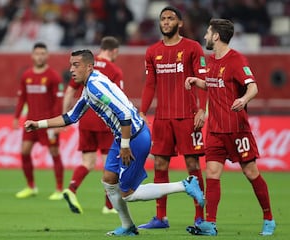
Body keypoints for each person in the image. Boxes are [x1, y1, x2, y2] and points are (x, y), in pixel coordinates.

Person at [24, 49, 205, 236]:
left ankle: (185, 185)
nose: (71, 69)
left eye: (76, 65)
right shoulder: (89, 86)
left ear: (89, 67)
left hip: (134, 138)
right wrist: (38, 124)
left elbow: (125, 114)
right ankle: (127, 226)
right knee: (109, 181)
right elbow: (71, 117)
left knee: (129, 194)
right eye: (70, 65)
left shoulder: (95, 87)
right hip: (123, 137)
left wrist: (125, 146)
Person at [184, 18, 276, 236]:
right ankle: (210, 224)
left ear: (216, 36)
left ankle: (268, 218)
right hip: (215, 130)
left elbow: (253, 88)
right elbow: (215, 85)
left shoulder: (236, 60)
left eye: (208, 32)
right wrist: (198, 81)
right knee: (213, 173)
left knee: (250, 171)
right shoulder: (211, 61)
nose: (205, 36)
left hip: (236, 128)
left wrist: (243, 101)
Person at [138, 6, 207, 229]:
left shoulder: (192, 47)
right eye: (163, 19)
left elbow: (203, 81)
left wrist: (202, 109)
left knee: (192, 163)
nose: (166, 22)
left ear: (179, 23)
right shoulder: (152, 52)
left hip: (187, 116)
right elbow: (150, 85)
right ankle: (161, 217)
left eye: (170, 18)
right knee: (159, 164)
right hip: (162, 118)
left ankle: (199, 217)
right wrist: (142, 111)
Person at [62, 36, 123, 214]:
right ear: (114, 51)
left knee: (87, 162)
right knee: (109, 165)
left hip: (85, 119)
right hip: (104, 122)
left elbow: (69, 91)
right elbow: (118, 98)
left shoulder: (84, 66)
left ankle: (71, 189)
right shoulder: (114, 70)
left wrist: (65, 117)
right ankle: (108, 206)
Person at [13, 42, 64, 200]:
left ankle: (59, 189)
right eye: (37, 53)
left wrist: (57, 123)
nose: (40, 56)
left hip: (48, 123)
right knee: (24, 151)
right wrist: (16, 116)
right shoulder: (26, 75)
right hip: (30, 123)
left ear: (47, 56)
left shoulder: (53, 76)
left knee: (54, 152)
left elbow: (58, 101)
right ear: (32, 56)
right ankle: (31, 186)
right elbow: (22, 98)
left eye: (43, 53)